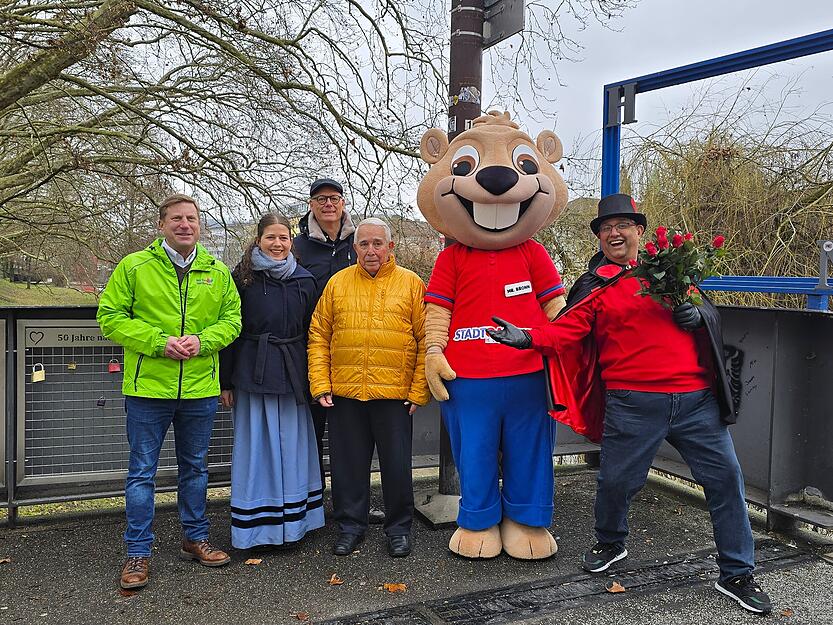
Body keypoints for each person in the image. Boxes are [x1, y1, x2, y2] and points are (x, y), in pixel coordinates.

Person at [487, 193, 772, 615]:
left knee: (727, 481)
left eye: (622, 225)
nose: (614, 233)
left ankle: (736, 572)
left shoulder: (674, 273)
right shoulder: (597, 285)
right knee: (617, 482)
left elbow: (710, 320)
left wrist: (699, 317)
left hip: (696, 404)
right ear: (600, 237)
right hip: (633, 404)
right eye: (606, 228)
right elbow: (566, 331)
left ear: (639, 231)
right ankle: (611, 541)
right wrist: (528, 337)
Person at [97, 193, 241, 590]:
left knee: (195, 469)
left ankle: (194, 539)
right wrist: (159, 341)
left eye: (191, 219)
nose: (185, 225)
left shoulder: (217, 271)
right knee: (142, 472)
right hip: (148, 389)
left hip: (199, 389)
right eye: (176, 218)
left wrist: (202, 340)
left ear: (200, 225)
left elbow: (232, 321)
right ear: (162, 225)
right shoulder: (135, 266)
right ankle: (138, 552)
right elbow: (109, 318)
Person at [307, 217, 429, 557]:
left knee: (396, 465)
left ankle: (399, 528)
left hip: (394, 395)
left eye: (378, 244)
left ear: (390, 247)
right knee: (347, 467)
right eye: (364, 244)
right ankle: (350, 526)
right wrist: (320, 382)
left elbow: (426, 339)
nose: (371, 250)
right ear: (354, 247)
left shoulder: (411, 284)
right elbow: (318, 336)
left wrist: (419, 390)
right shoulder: (337, 283)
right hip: (345, 393)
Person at [219, 213, 325, 549]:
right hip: (253, 370)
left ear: (291, 241)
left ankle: (296, 523)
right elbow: (230, 331)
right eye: (271, 238)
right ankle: (257, 528)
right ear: (259, 239)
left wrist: (318, 378)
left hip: (294, 371)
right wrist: (226, 381)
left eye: (283, 238)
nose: (278, 244)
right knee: (257, 446)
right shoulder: (242, 279)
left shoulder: (305, 281)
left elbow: (315, 333)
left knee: (293, 445)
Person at [293, 178, 356, 490]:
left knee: (350, 437)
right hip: (311, 352)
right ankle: (314, 502)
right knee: (311, 433)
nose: (328, 204)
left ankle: (350, 503)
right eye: (320, 199)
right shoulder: (296, 247)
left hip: (352, 353)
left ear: (343, 202)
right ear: (311, 205)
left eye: (333, 198)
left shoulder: (359, 244)